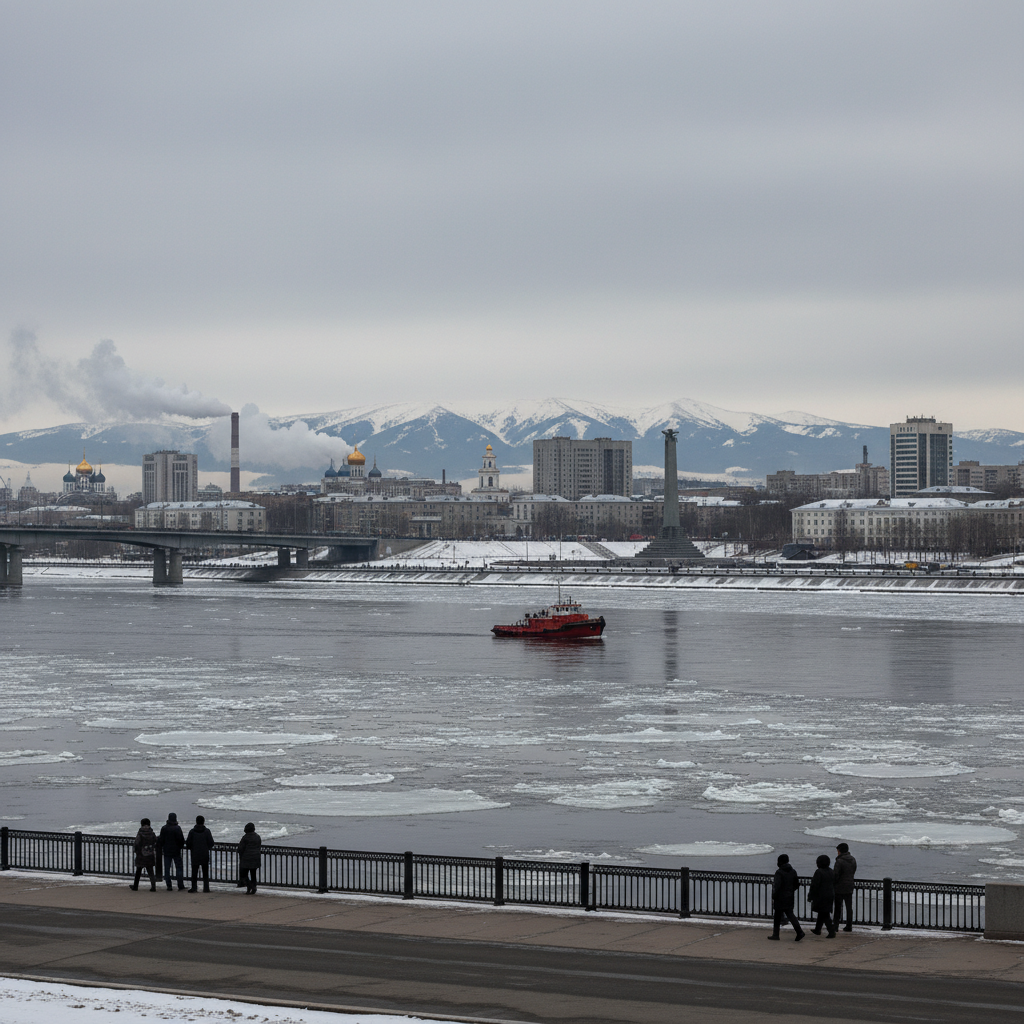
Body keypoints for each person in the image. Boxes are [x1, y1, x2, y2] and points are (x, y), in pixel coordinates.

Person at [767, 853, 804, 941]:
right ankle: (799, 932)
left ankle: (776, 934)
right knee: (790, 915)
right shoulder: (793, 871)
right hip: (789, 896)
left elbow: (777, 886)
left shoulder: (779, 872)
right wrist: (790, 891)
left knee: (777, 916)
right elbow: (796, 884)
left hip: (780, 898)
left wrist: (774, 896)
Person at [807, 854, 837, 937]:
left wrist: (810, 896)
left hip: (821, 896)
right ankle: (817, 929)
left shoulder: (819, 872)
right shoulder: (831, 871)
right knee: (822, 912)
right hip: (830, 895)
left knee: (824, 914)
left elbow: (814, 885)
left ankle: (831, 931)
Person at [832, 842, 858, 932]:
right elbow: (853, 871)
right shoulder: (853, 859)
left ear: (839, 851)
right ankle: (849, 925)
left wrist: (833, 883)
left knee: (838, 908)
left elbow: (836, 874)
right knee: (849, 907)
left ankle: (835, 926)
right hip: (849, 885)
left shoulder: (839, 861)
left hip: (839, 887)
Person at [186, 814, 215, 893]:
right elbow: (211, 843)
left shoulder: (192, 832)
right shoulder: (207, 831)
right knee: (205, 872)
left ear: (196, 822)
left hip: (195, 854)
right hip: (204, 854)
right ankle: (206, 888)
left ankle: (194, 888)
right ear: (203, 822)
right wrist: (206, 848)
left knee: (194, 872)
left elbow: (188, 843)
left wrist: (193, 848)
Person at [158, 812, 186, 891]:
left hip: (167, 851)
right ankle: (180, 885)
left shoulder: (164, 828)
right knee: (179, 868)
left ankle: (169, 885)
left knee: (167, 869)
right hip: (176, 851)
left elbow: (161, 840)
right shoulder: (177, 828)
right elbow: (181, 840)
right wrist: (179, 847)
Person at [129, 818, 157, 891]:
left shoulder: (140, 833)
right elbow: (155, 841)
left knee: (138, 870)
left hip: (141, 854)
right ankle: (153, 886)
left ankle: (135, 886)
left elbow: (137, 843)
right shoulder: (152, 833)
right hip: (150, 853)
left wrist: (136, 851)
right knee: (150, 870)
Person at [237, 822, 262, 894]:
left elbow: (241, 848)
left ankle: (249, 886)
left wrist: (240, 854)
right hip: (256, 858)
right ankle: (253, 887)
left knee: (244, 874)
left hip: (246, 859)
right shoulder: (257, 837)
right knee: (253, 874)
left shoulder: (245, 837)